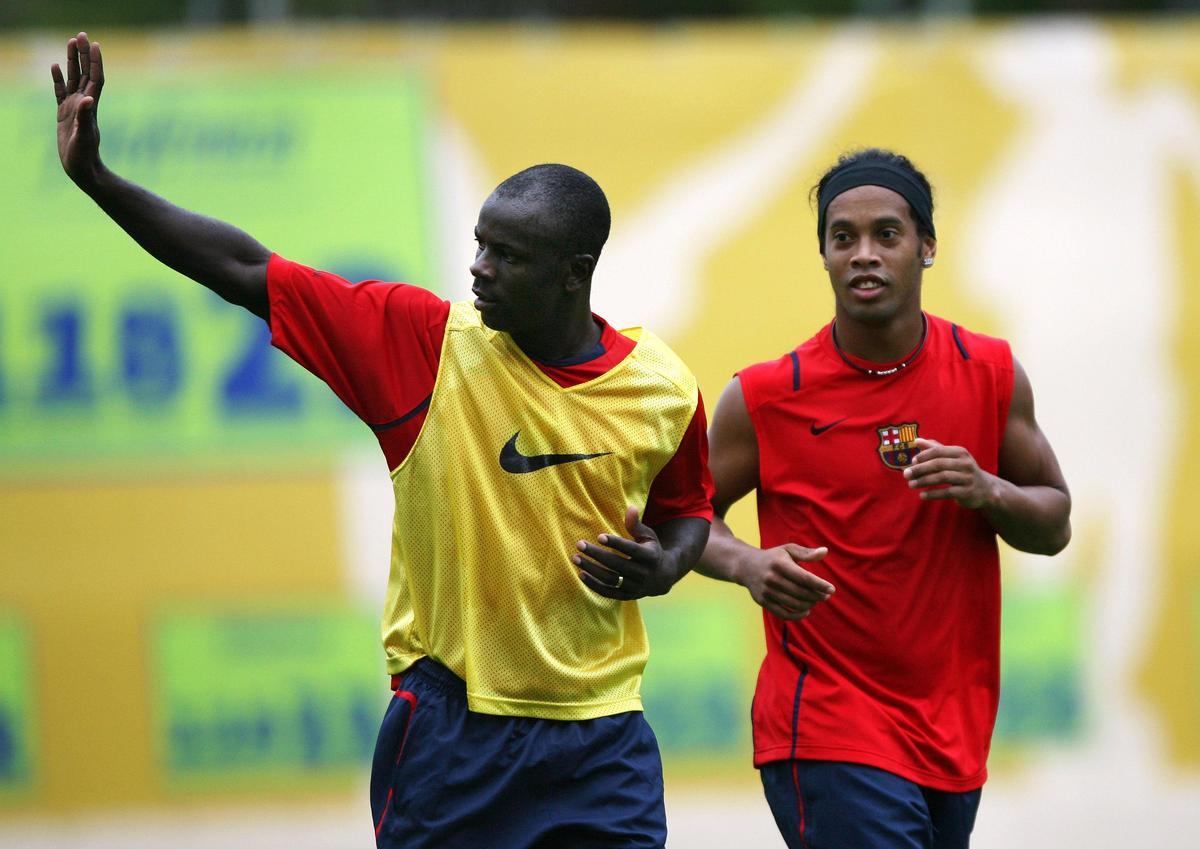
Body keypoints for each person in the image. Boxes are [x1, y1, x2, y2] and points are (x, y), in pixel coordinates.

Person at [53, 32, 713, 849]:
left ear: (574, 272)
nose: (478, 267)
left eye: (506, 255)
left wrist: (669, 561)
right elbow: (244, 267)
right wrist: (98, 182)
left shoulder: (663, 386)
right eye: (478, 243)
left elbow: (688, 510)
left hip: (603, 739)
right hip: (452, 733)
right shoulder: (420, 345)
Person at [696, 148, 1071, 849]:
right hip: (827, 721)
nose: (864, 254)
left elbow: (1054, 522)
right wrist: (748, 563)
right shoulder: (767, 395)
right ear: (826, 256)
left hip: (952, 727)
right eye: (844, 238)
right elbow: (685, 516)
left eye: (887, 235)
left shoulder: (989, 373)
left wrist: (986, 489)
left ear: (925, 247)